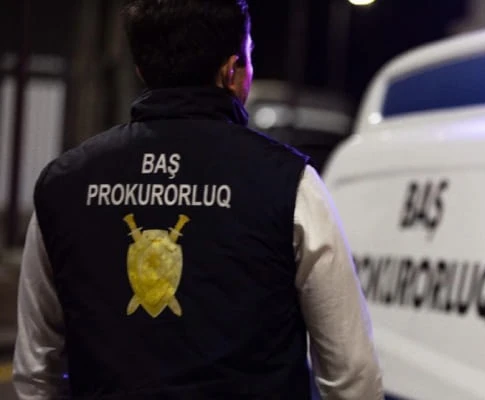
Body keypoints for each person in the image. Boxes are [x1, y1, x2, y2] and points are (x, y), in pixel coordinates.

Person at [12, 0, 383, 398]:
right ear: (231, 71)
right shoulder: (290, 183)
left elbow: (36, 373)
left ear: (141, 69)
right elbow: (352, 375)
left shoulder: (63, 184)